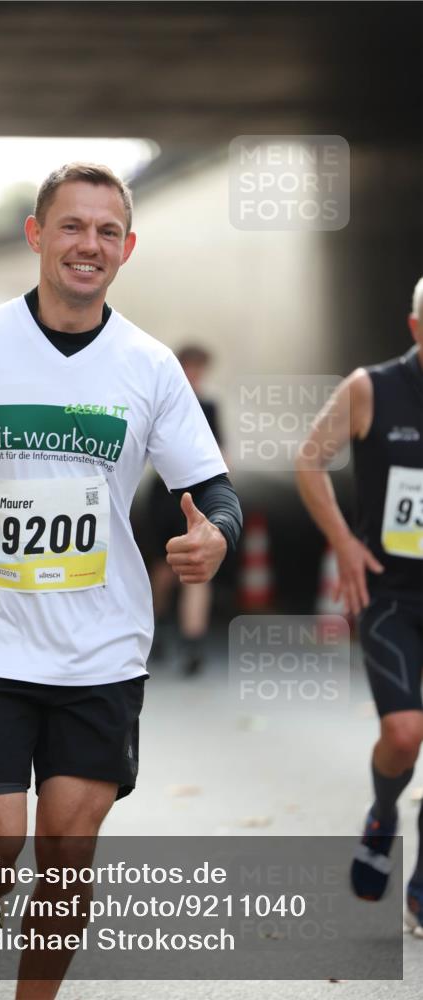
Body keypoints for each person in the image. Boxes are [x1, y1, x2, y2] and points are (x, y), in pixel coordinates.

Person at [0, 163, 242, 999]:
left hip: (99, 648)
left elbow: (210, 490)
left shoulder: (147, 365)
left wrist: (217, 537)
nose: (87, 245)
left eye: (106, 231)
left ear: (126, 248)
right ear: (36, 235)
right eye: (71, 226)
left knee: (67, 856)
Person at [296, 277, 423, 934]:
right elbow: (309, 461)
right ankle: (381, 814)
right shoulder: (369, 388)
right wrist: (343, 541)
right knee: (404, 734)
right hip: (389, 592)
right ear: (415, 329)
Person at [145, 344, 224, 675]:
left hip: (197, 494)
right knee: (163, 572)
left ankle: (193, 644)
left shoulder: (208, 407)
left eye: (198, 369)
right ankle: (161, 625)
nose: (193, 375)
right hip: (166, 495)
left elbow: (221, 452)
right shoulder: (165, 401)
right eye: (188, 368)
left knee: (197, 569)